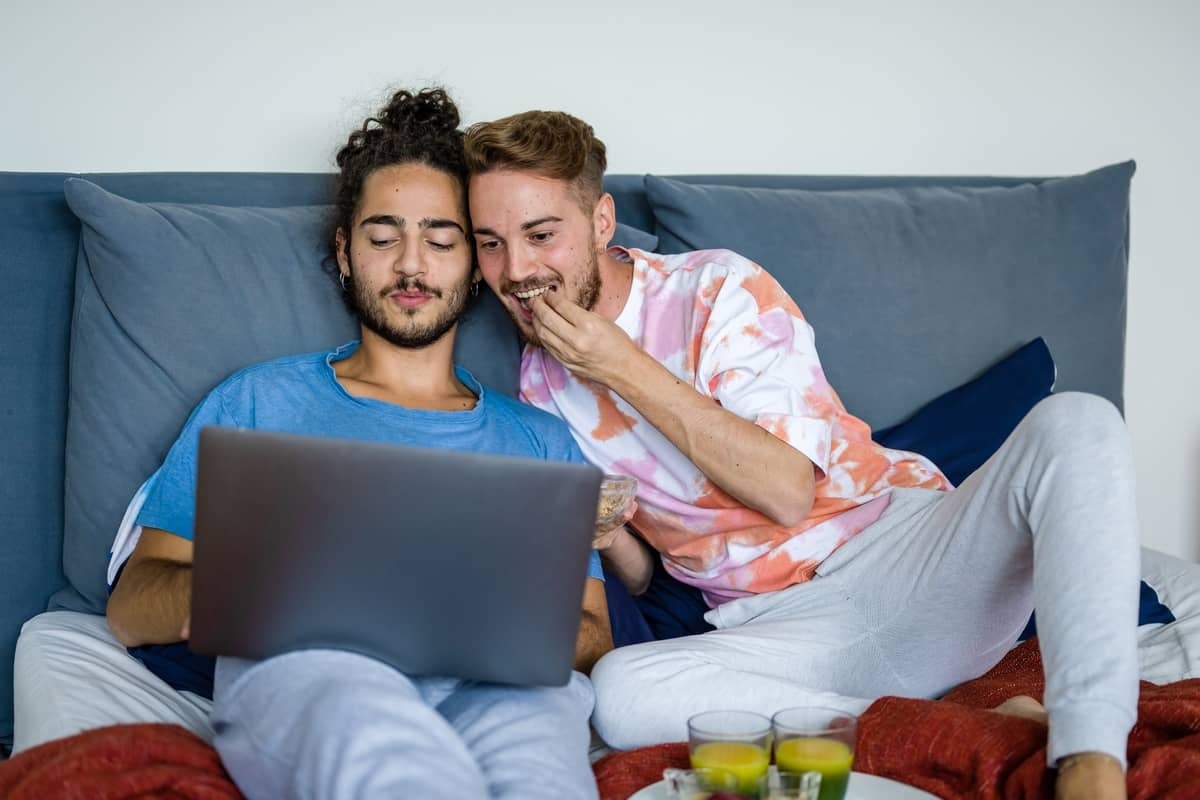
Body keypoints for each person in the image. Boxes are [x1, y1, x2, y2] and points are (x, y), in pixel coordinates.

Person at [462, 110, 1137, 800]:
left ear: (601, 222)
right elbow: (643, 581)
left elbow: (787, 491)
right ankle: (960, 728)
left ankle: (1089, 756)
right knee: (622, 693)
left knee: (1078, 422)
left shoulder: (716, 289)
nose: (516, 271)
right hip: (780, 633)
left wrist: (620, 365)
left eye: (541, 235)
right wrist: (607, 534)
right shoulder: (537, 392)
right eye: (490, 244)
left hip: (907, 561)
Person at [105, 88, 610, 800]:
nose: (411, 266)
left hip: (499, 686)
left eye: (440, 240)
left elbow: (593, 633)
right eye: (382, 237)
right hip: (312, 671)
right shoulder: (258, 402)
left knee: (540, 760)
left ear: (473, 265)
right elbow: (132, 606)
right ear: (345, 251)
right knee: (377, 745)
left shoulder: (540, 440)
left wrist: (475, 616)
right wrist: (247, 593)